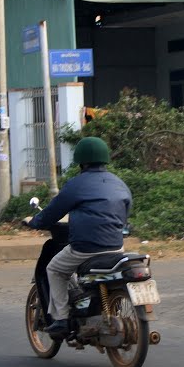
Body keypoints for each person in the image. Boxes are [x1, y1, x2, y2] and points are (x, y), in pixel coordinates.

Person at [25, 136, 132, 339]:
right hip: (116, 247)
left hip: (86, 248)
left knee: (54, 269)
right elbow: (125, 211)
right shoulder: (119, 183)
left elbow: (52, 212)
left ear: (81, 162)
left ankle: (62, 319)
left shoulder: (77, 184)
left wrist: (35, 222)